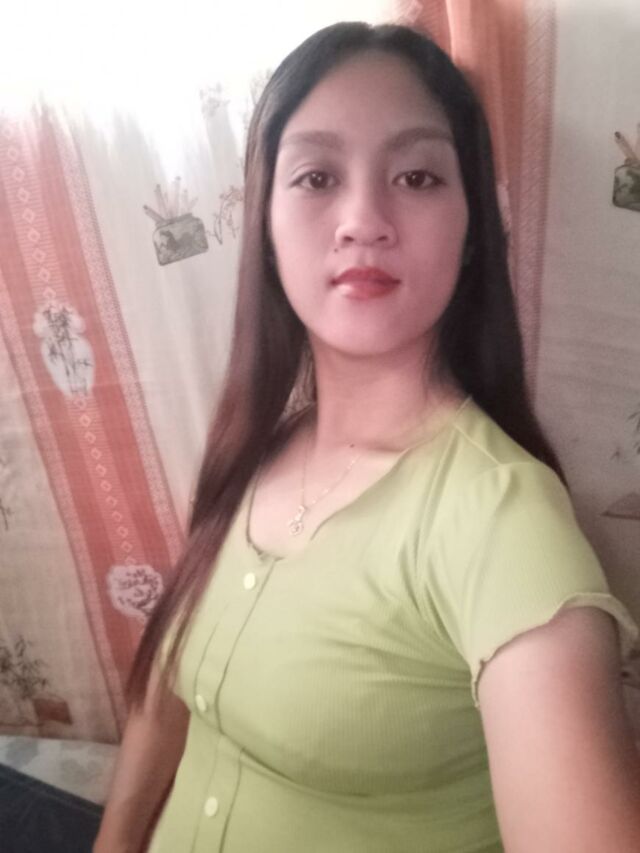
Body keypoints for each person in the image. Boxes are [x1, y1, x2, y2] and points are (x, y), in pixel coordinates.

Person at [94, 21, 640, 853]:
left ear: (472, 230)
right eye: (316, 176)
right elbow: (167, 695)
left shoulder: (502, 521)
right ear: (264, 226)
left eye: (417, 176)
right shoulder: (258, 446)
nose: (363, 220)